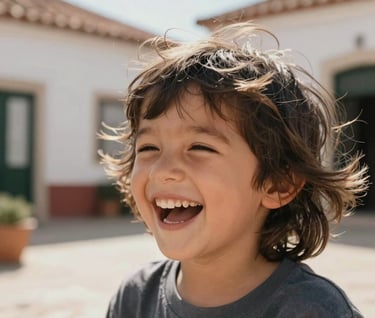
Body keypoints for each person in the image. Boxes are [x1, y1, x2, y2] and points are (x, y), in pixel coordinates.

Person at [102, 22, 368, 318]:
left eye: (199, 148)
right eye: (148, 148)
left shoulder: (311, 310)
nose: (163, 170)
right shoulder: (134, 299)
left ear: (277, 184)